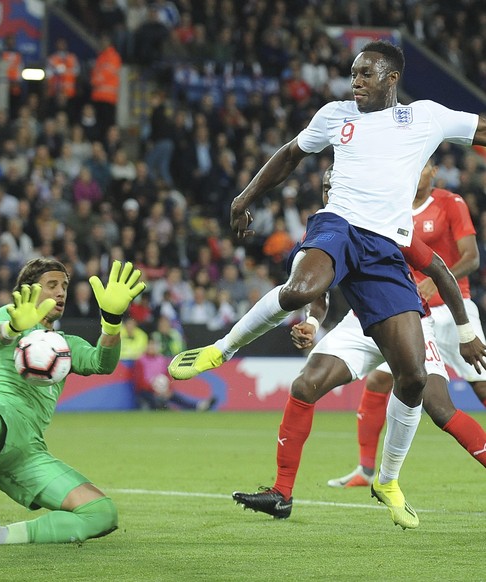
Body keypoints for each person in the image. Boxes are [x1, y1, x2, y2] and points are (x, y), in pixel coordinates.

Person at [169, 40, 486, 529]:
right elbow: (290, 155)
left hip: (385, 250)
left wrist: (465, 331)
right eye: (353, 72)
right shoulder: (335, 114)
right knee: (298, 291)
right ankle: (222, 348)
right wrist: (245, 194)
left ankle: (386, 479)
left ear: (391, 77)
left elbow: (480, 129)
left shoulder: (426, 117)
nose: (354, 80)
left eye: (366, 73)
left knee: (414, 380)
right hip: (338, 225)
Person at [0, 257, 146, 545]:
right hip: (0, 413)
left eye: (65, 286)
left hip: (30, 452)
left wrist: (112, 322)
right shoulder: (9, 316)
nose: (61, 292)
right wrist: (13, 327)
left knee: (102, 513)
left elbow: (102, 363)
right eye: (52, 285)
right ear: (30, 290)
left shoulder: (65, 345)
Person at [328, 159, 486, 488]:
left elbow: (471, 257)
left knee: (481, 386)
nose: (418, 172)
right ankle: (366, 470)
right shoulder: (392, 207)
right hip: (410, 313)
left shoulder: (449, 203)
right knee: (378, 382)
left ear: (434, 172)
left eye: (425, 166)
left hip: (452, 308)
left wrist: (436, 281)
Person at [133, 336, 216, 411]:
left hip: (162, 390)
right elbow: (139, 382)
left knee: (175, 396)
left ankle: (198, 406)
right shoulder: (141, 360)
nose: (152, 348)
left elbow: (168, 376)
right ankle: (164, 407)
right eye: (150, 345)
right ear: (146, 346)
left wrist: (167, 389)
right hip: (147, 391)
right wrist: (153, 389)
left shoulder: (162, 359)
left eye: (154, 345)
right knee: (154, 400)